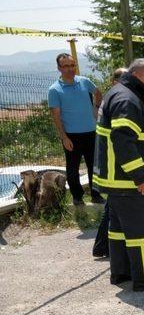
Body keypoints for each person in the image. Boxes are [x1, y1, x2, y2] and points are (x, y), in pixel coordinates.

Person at [94, 58, 144, 291]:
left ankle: (121, 273)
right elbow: (124, 141)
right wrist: (141, 176)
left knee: (118, 230)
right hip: (127, 180)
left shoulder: (122, 94)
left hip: (116, 179)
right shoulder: (127, 99)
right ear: (136, 75)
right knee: (139, 229)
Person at [48, 53, 104, 206]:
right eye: (65, 66)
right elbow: (56, 116)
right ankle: (77, 197)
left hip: (91, 132)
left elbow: (98, 93)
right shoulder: (55, 90)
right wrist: (64, 137)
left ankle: (96, 194)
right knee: (72, 169)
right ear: (59, 68)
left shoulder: (84, 81)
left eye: (72, 65)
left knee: (95, 166)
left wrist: (96, 108)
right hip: (71, 136)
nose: (70, 69)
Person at [92, 67, 128, 258]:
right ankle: (102, 246)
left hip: (112, 163)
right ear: (115, 82)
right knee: (114, 208)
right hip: (116, 165)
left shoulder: (110, 99)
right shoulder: (117, 100)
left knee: (113, 208)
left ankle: (101, 246)